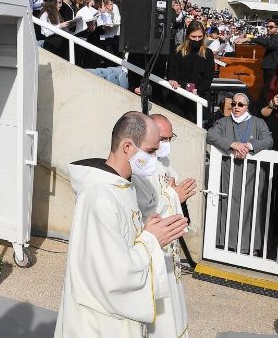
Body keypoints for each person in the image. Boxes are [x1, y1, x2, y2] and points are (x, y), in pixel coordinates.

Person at [54, 111, 188, 338]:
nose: (156, 159)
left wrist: (147, 230)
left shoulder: (123, 186)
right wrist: (151, 240)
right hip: (99, 323)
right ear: (128, 147)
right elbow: (113, 272)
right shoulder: (100, 196)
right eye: (151, 151)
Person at [132, 114, 196, 338]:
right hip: (152, 246)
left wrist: (177, 194)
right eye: (163, 139)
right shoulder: (139, 167)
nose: (166, 145)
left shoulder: (164, 162)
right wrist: (172, 195)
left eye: (170, 139)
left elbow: (171, 186)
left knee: (173, 295)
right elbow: (144, 211)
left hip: (169, 248)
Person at [206, 92, 274, 255]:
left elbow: (268, 141)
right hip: (229, 172)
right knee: (226, 206)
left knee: (250, 208)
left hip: (252, 175)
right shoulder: (223, 122)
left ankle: (247, 246)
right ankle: (223, 243)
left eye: (240, 105)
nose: (236, 107)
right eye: (233, 104)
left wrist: (248, 146)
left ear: (247, 106)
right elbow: (211, 134)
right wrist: (233, 144)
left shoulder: (258, 122)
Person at [167, 21, 215, 124]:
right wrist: (172, 80)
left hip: (197, 96)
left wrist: (198, 91)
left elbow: (208, 78)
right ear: (188, 35)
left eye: (200, 37)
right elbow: (171, 72)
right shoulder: (177, 51)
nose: (197, 40)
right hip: (178, 96)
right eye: (194, 37)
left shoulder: (207, 53)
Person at [240, 18, 278, 87]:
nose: (268, 28)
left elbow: (267, 43)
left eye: (271, 27)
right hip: (269, 69)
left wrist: (249, 39)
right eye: (267, 27)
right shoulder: (272, 38)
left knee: (269, 90)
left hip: (272, 70)